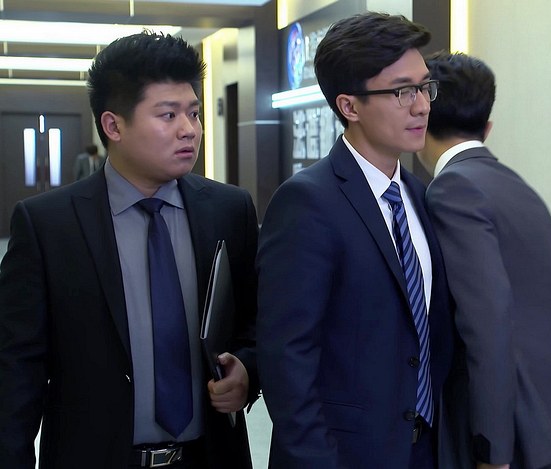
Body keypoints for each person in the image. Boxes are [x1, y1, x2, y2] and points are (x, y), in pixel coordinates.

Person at [0, 31, 260, 468]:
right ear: (113, 126)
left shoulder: (229, 210)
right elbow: (17, 368)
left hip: (210, 457)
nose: (189, 130)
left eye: (194, 113)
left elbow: (257, 322)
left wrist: (248, 370)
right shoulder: (48, 225)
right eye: (168, 114)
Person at [256, 12, 454, 469]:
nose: (421, 106)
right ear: (349, 106)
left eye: (425, 87)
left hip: (424, 449)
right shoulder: (307, 202)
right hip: (345, 455)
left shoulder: (419, 196)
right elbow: (288, 357)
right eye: (402, 91)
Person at [417, 51, 551, 469]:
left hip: (518, 434)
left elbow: (486, 321)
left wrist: (492, 447)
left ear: (422, 119)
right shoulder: (516, 186)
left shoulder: (452, 189)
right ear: (487, 127)